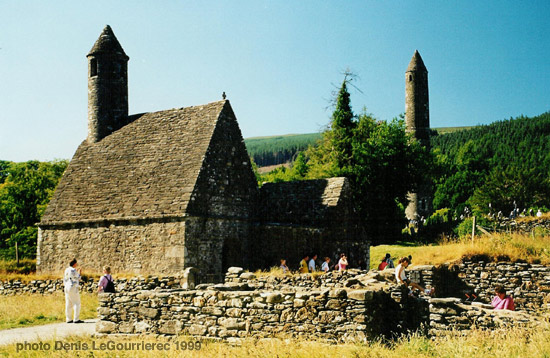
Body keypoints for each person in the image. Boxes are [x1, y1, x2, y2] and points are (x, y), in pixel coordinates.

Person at [63, 258, 83, 323]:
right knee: (77, 303)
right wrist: (79, 272)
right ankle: (76, 319)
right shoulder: (73, 270)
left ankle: (68, 319)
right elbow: (78, 277)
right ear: (74, 264)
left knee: (68, 303)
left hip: (66, 286)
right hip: (73, 286)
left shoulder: (66, 270)